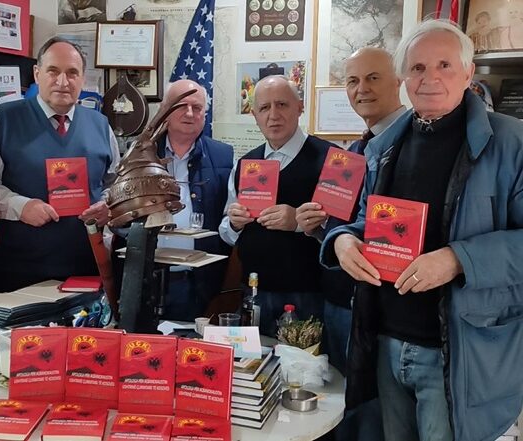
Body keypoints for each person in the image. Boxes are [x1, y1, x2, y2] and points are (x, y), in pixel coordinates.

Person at [320, 19, 523, 441]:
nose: (430, 78)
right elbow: (366, 221)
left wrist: (457, 259)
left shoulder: (512, 143)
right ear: (404, 78)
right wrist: (342, 240)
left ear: (469, 74)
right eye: (417, 68)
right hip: (388, 346)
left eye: (445, 65)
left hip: (462, 354)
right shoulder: (385, 146)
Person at [296, 47, 405, 441]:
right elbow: (348, 229)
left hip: (383, 312)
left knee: (375, 417)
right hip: (340, 304)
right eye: (353, 81)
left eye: (373, 78)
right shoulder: (353, 153)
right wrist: (316, 229)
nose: (362, 89)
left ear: (399, 81)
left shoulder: (412, 147)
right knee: (345, 408)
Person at [0, 37, 119, 293]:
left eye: (72, 73)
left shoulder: (100, 124)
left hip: (86, 268)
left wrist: (108, 205)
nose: (63, 82)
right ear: (37, 73)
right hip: (19, 271)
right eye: (53, 71)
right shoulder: (4, 119)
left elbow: (116, 184)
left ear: (82, 78)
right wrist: (20, 207)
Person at [218, 75, 330, 337]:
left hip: (310, 296)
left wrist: (301, 225)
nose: (273, 115)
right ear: (254, 114)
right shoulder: (245, 164)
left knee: (304, 375)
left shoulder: (330, 160)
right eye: (264, 108)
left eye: (282, 105)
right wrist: (234, 223)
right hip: (254, 292)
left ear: (300, 107)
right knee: (254, 373)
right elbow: (227, 231)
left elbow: (346, 233)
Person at [124, 79, 233, 320]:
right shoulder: (139, 154)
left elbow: (229, 219)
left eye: (197, 107)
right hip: (147, 279)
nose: (190, 113)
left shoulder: (224, 156)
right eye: (181, 105)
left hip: (201, 283)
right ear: (164, 111)